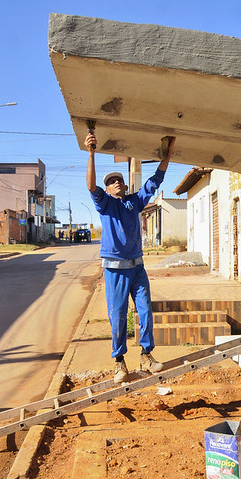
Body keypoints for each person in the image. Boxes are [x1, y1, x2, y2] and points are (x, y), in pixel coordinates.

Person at [85, 131, 176, 383]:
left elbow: (155, 180)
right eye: (112, 181)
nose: (116, 183)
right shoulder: (105, 204)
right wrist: (91, 153)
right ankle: (119, 362)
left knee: (145, 312)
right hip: (114, 270)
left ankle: (147, 355)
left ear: (125, 185)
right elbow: (91, 186)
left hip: (137, 269)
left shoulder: (133, 202)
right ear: (107, 188)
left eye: (119, 180)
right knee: (118, 317)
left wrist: (167, 155)